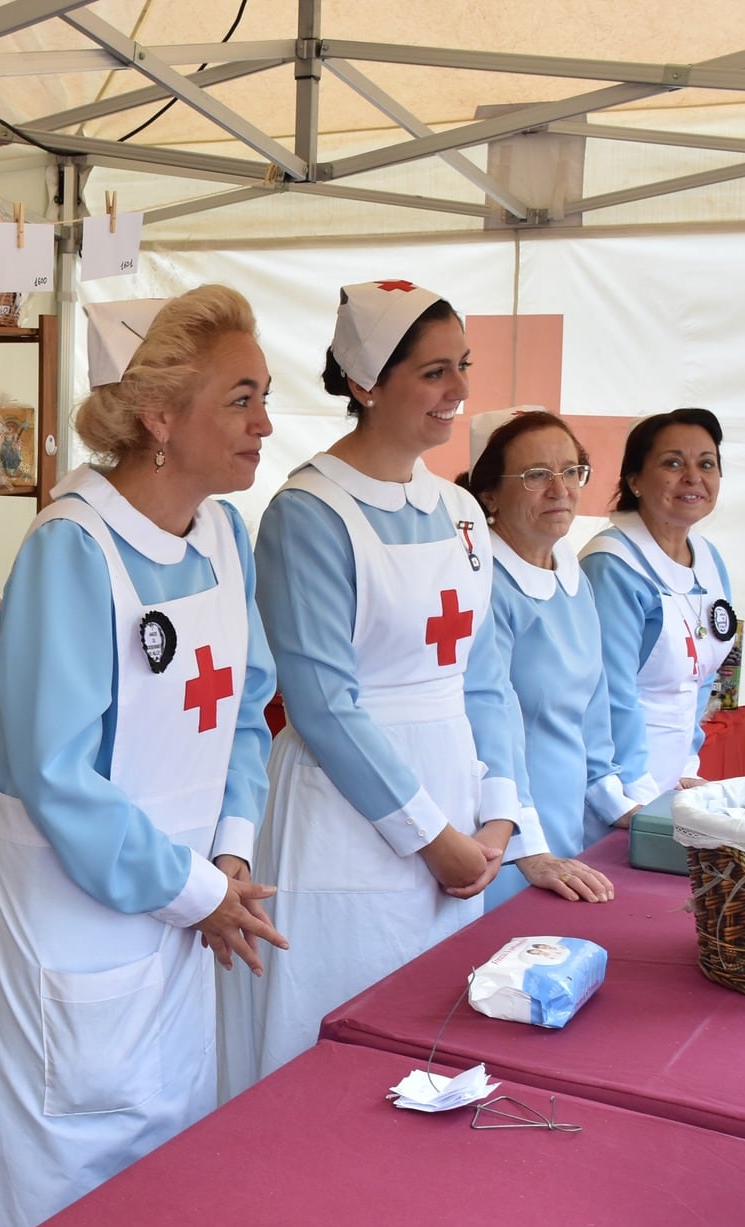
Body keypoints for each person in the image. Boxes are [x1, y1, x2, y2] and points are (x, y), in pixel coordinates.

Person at [0, 286, 284, 1227]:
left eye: (264, 397)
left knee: (162, 1159)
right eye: (240, 399)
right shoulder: (71, 549)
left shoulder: (223, 538)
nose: (263, 424)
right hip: (75, 919)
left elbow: (245, 705)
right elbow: (59, 774)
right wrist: (194, 890)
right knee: (47, 1189)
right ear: (159, 416)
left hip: (182, 906)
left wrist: (228, 855)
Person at [217, 280, 513, 1096]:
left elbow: (485, 676)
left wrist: (498, 812)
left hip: (457, 817)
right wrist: (435, 837)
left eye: (463, 367)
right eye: (433, 373)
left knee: (433, 1050)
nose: (457, 392)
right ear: (366, 382)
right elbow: (322, 704)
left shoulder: (460, 510)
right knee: (332, 1051)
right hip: (347, 820)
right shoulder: (309, 512)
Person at [460, 407, 657, 909]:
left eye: (571, 471)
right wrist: (525, 846)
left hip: (568, 829)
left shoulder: (571, 576)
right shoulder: (482, 587)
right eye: (535, 476)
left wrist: (619, 804)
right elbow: (487, 723)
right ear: (488, 494)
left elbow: (595, 713)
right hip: (498, 841)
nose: (560, 489)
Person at [578, 408, 735, 792]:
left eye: (707, 463)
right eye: (673, 463)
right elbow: (610, 695)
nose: (693, 477)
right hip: (613, 784)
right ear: (634, 480)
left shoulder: (709, 558)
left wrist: (689, 763)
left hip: (674, 776)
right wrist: (637, 788)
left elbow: (704, 676)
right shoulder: (612, 566)